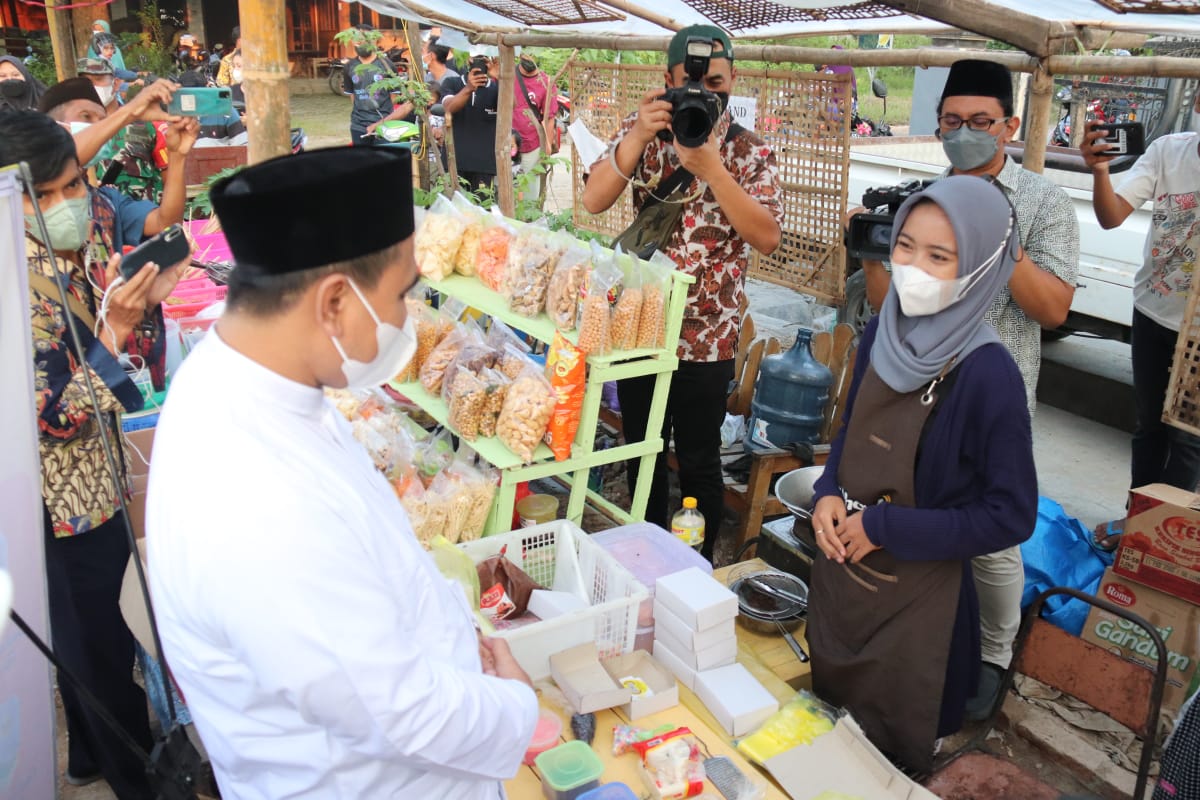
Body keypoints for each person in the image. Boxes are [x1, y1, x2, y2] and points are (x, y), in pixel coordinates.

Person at [146, 146, 538, 798]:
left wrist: (448, 627)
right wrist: (517, 706)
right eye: (402, 295)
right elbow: (397, 711)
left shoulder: (253, 386)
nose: (408, 320)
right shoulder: (254, 500)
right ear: (333, 302)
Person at [854, 57, 1079, 717]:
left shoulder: (1042, 200)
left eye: (981, 122)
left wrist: (998, 238)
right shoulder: (923, 197)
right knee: (917, 516)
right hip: (917, 392)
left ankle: (992, 656)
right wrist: (872, 248)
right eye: (952, 122)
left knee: (992, 538)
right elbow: (881, 301)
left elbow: (1054, 309)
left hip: (991, 393)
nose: (965, 134)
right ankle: (916, 636)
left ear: (1009, 125)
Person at [809, 176, 1038, 772]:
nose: (913, 268)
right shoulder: (884, 329)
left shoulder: (990, 376)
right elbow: (850, 430)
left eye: (940, 256)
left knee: (889, 763)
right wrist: (828, 489)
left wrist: (885, 527)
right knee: (827, 734)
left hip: (921, 614)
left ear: (983, 265)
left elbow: (1010, 514)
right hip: (843, 580)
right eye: (905, 247)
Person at [0, 110, 191, 800]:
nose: (69, 204)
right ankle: (136, 780)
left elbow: (108, 365)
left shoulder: (54, 257)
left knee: (90, 647)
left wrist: (128, 312)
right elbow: (53, 419)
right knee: (102, 658)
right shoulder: (9, 288)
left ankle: (86, 756)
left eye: (73, 185)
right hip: (59, 510)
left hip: (95, 486)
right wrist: (112, 330)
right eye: (46, 193)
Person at [581, 25, 783, 561]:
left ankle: (690, 563)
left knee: (698, 459)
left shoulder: (746, 150)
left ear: (733, 80)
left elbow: (765, 236)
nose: (704, 94)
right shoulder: (643, 132)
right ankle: (642, 553)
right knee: (640, 452)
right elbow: (594, 200)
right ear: (666, 82)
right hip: (642, 328)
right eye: (691, 83)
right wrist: (638, 137)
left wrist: (712, 168)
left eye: (716, 82)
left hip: (708, 340)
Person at [1082, 110, 1200, 495]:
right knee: (1150, 427)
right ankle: (1135, 525)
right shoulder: (1169, 151)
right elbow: (1111, 216)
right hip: (1153, 313)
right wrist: (1100, 171)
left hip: (1197, 337)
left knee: (1187, 441)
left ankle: (1160, 537)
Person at [441, 48, 500, 196]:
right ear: (469, 61)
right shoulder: (452, 82)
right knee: (454, 210)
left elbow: (511, 106)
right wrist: (469, 88)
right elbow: (449, 107)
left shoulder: (496, 88)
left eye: (484, 60)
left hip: (485, 164)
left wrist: (500, 78)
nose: (480, 66)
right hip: (454, 162)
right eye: (476, 60)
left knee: (482, 212)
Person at [344, 34, 413, 146]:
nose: (362, 43)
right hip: (358, 126)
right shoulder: (349, 67)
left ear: (374, 40)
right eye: (358, 41)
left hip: (384, 125)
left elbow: (393, 99)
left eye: (366, 39)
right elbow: (352, 96)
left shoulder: (387, 65)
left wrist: (382, 120)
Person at [512, 52, 559, 190]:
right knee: (505, 190)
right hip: (507, 144)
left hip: (532, 145)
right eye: (527, 53)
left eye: (534, 54)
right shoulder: (508, 75)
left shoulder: (546, 82)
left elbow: (549, 118)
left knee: (529, 192)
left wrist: (547, 150)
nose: (529, 58)